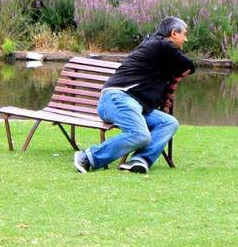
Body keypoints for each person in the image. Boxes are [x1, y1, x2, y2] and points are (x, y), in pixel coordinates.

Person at [73, 17, 196, 174]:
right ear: (173, 33)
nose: (186, 39)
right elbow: (189, 65)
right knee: (140, 135)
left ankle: (140, 160)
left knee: (168, 122)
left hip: (132, 105)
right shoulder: (163, 44)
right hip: (117, 98)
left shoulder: (154, 45)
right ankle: (88, 157)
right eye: (184, 34)